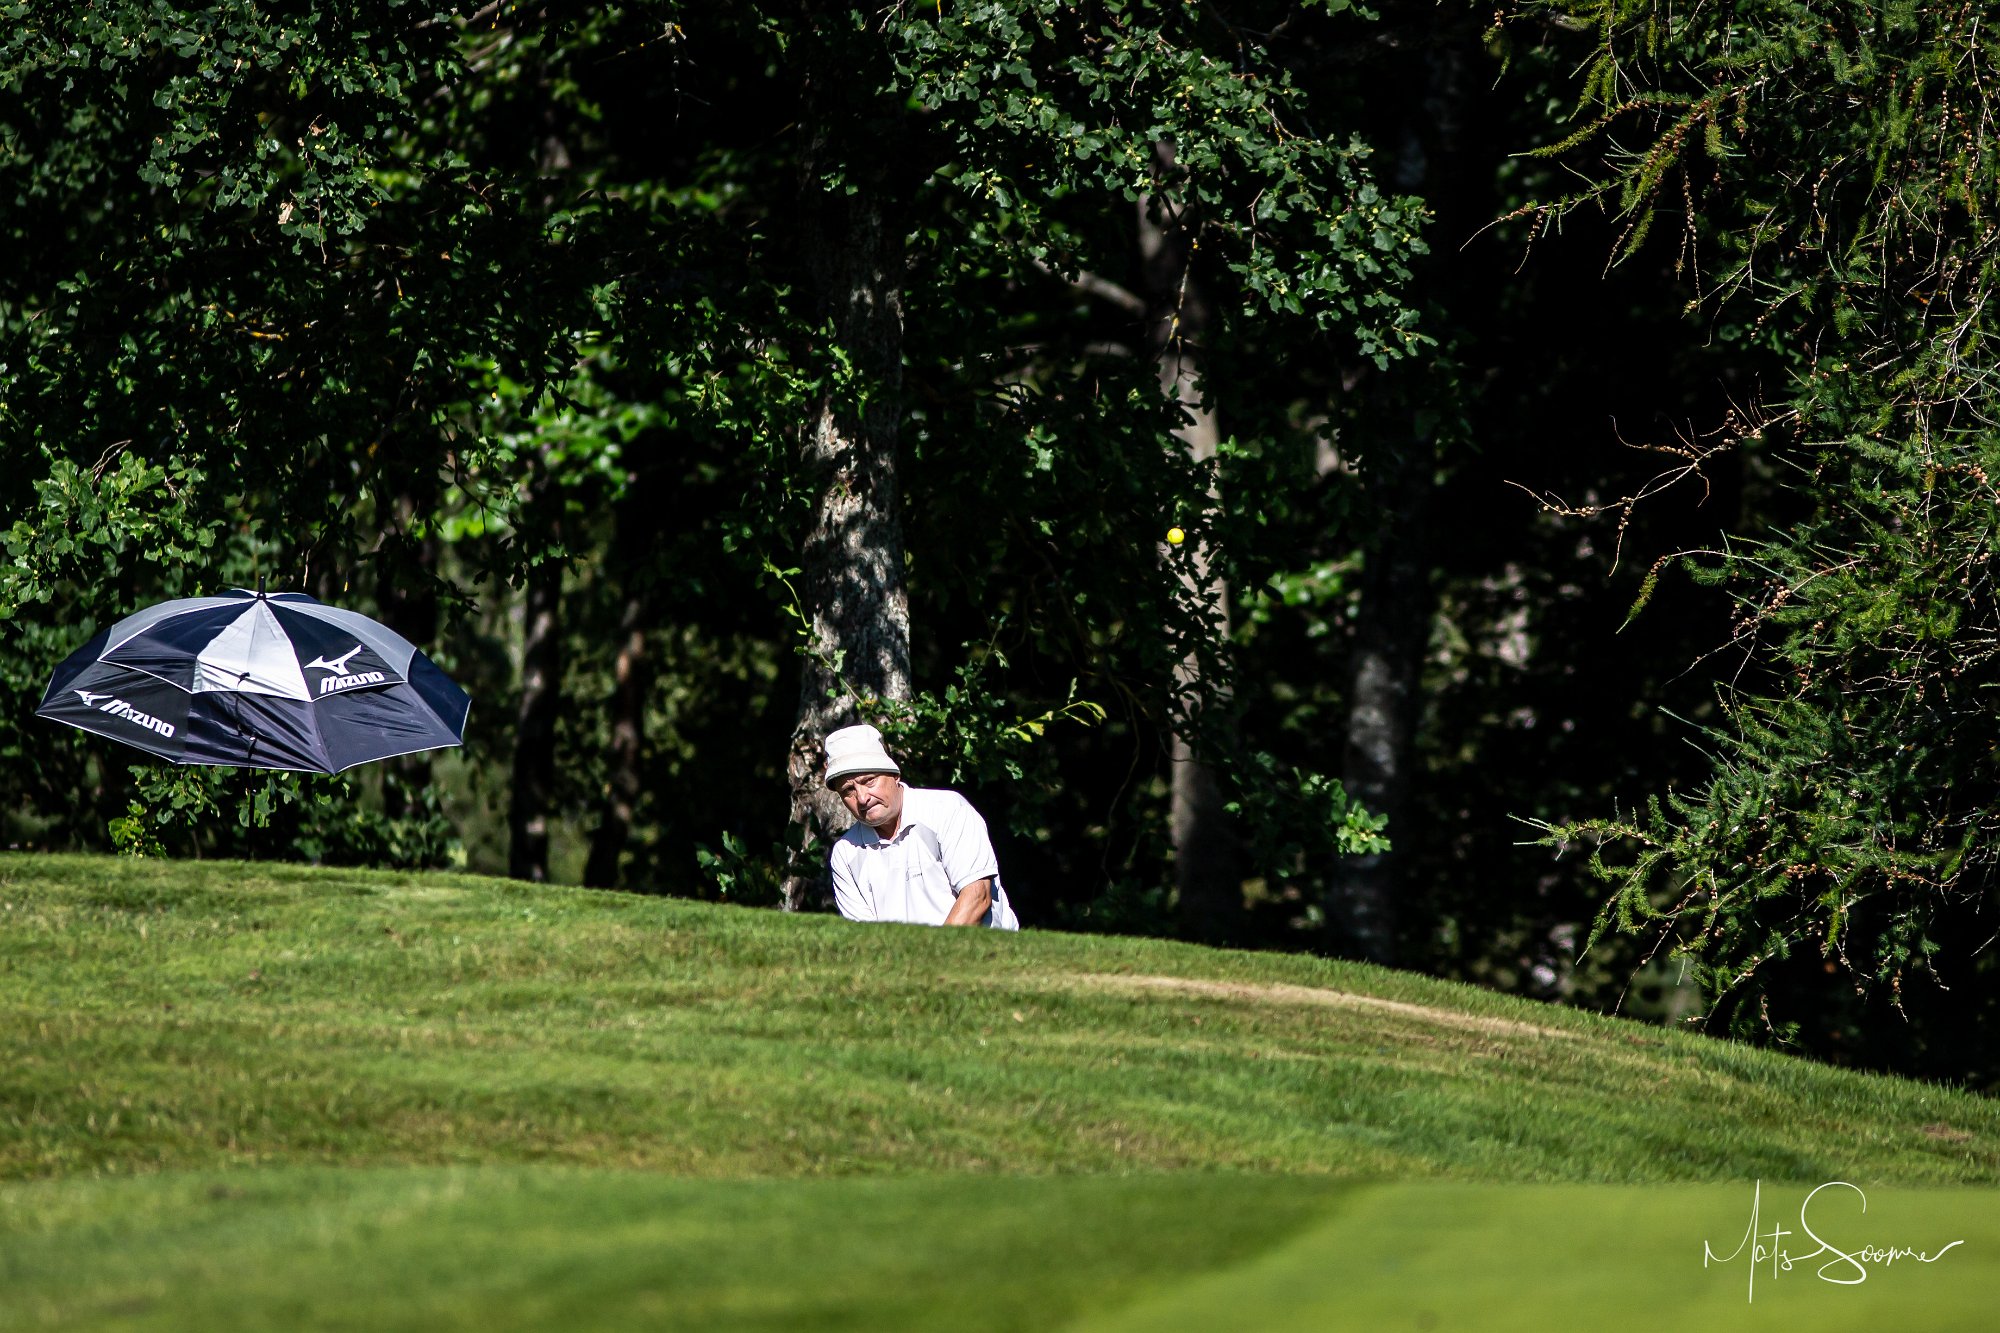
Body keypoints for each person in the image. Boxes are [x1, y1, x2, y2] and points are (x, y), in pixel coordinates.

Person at [823, 723, 1020, 929]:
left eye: (869, 781)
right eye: (848, 790)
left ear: (895, 774)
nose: (862, 798)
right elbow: (866, 938)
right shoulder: (845, 853)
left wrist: (932, 959)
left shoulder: (947, 809)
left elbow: (977, 897)